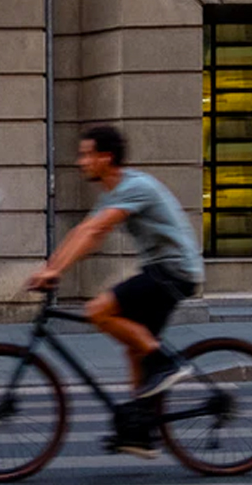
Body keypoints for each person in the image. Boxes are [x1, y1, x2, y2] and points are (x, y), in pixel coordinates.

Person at [25, 123, 205, 458]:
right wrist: (51, 267)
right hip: (164, 270)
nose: (81, 162)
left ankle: (166, 364)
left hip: (173, 271)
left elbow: (97, 227)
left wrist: (54, 271)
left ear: (105, 158)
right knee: (133, 347)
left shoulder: (135, 186)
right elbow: (86, 233)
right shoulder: (115, 192)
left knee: (98, 311)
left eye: (86, 155)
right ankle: (140, 430)